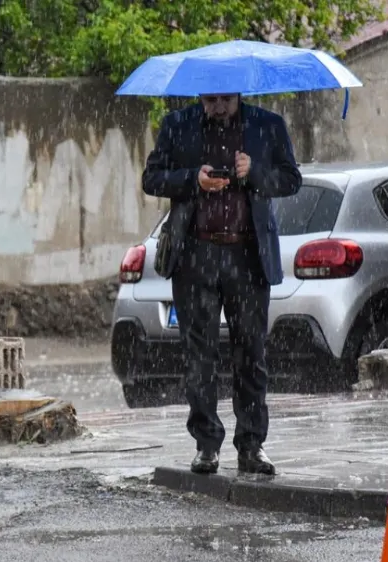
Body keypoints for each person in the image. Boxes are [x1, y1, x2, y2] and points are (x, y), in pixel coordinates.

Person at [142, 93, 301, 476]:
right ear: (200, 96)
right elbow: (151, 178)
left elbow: (291, 179)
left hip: (247, 256)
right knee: (200, 356)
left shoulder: (267, 125)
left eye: (224, 100)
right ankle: (206, 445)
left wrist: (255, 172)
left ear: (238, 95)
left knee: (252, 353)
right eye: (209, 100)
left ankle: (252, 445)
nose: (216, 106)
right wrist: (191, 180)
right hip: (196, 255)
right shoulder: (178, 126)